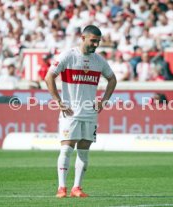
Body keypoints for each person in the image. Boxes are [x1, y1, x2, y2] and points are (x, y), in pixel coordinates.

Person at [45, 25, 117, 198]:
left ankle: (77, 188)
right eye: (93, 40)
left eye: (98, 42)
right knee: (67, 149)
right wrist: (59, 102)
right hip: (71, 112)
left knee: (84, 151)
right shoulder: (68, 55)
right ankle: (61, 188)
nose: (95, 45)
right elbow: (49, 77)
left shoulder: (98, 60)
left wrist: (104, 101)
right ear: (83, 38)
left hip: (90, 112)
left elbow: (112, 79)